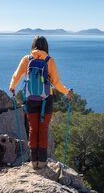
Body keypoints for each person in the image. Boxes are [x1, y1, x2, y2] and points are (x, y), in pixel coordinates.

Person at [9, 36, 73, 169]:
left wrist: (12, 86)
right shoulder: (49, 60)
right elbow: (56, 83)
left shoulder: (27, 59)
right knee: (43, 130)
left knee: (33, 129)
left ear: (33, 46)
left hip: (31, 99)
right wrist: (67, 92)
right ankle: (42, 162)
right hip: (46, 100)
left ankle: (34, 161)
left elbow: (17, 75)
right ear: (46, 47)